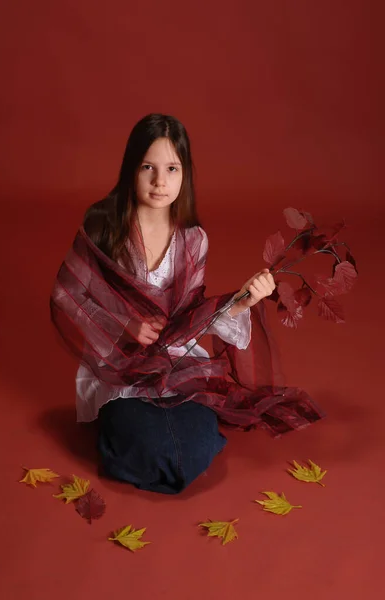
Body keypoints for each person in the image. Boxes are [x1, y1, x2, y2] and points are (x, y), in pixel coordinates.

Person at [51, 114, 323, 495]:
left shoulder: (193, 239)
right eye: (148, 167)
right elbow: (68, 294)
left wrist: (243, 300)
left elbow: (191, 316)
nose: (160, 182)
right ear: (131, 167)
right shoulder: (104, 227)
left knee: (190, 448)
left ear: (185, 174)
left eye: (172, 168)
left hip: (177, 359)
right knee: (148, 444)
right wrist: (123, 322)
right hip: (120, 362)